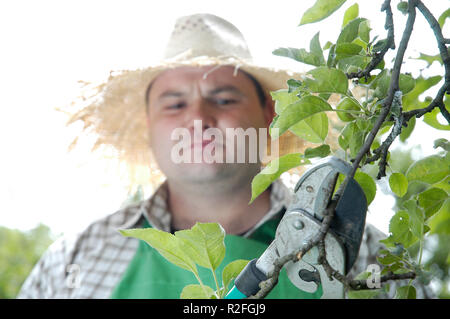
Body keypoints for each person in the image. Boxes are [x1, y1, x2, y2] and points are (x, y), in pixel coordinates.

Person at [17, 13, 427, 299]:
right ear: (148, 125)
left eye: (224, 97)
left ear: (271, 114)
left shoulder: (360, 251)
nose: (198, 118)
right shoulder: (75, 258)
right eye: (174, 105)